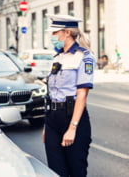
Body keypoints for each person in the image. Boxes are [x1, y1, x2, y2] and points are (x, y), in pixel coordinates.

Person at [42, 14, 95, 177]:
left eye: (54, 33)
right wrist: (47, 124)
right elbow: (52, 94)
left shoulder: (84, 57)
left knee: (76, 171)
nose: (52, 37)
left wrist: (72, 128)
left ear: (66, 33)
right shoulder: (57, 57)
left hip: (72, 118)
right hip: (53, 120)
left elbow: (81, 96)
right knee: (55, 171)